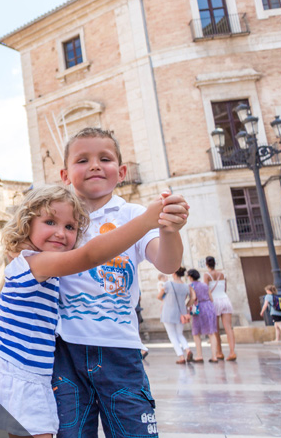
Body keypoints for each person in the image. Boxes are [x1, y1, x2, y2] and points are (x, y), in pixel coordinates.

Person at [0, 183, 173, 438]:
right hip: (24, 375)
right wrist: (145, 221)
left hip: (30, 374)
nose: (60, 233)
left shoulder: (35, 264)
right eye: (50, 222)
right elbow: (89, 256)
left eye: (70, 227)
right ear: (26, 224)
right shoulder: (35, 262)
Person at [52, 128, 189, 438]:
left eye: (105, 158)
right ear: (64, 174)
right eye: (82, 160)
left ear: (122, 172)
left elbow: (167, 263)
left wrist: (169, 229)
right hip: (65, 352)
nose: (95, 166)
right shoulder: (58, 221)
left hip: (121, 351)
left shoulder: (134, 214)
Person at [203, 256, 237, 361]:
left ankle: (219, 352)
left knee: (216, 329)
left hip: (214, 301)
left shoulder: (206, 275)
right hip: (225, 299)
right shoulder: (222, 274)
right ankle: (232, 352)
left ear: (206, 264)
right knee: (228, 328)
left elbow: (206, 290)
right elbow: (224, 288)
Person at [159, 267, 193, 364]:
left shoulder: (168, 284)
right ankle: (187, 349)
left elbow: (159, 296)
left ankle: (181, 357)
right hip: (181, 312)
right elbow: (190, 298)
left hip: (168, 313)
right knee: (179, 334)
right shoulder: (186, 286)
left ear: (174, 273)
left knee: (172, 336)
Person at [188, 268, 219, 362]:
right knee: (212, 333)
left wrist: (187, 305)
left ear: (190, 277)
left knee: (196, 333)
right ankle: (214, 356)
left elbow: (193, 298)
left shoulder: (191, 285)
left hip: (199, 308)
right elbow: (211, 298)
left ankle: (199, 355)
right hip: (209, 306)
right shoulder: (205, 285)